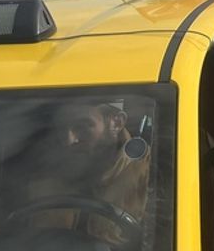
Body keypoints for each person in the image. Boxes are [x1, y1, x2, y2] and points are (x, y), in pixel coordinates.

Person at [28, 103, 151, 246]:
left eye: (82, 127)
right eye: (61, 130)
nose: (69, 141)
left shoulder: (152, 175)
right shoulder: (44, 174)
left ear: (116, 123)